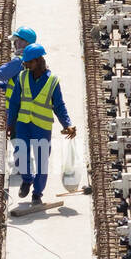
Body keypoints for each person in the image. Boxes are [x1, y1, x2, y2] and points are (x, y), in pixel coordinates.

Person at [6, 43, 77, 204]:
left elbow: (59, 105)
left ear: (38, 61)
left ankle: (37, 193)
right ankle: (27, 179)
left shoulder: (52, 81)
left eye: (28, 62)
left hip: (42, 128)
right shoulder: (23, 77)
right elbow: (15, 102)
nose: (25, 65)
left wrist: (67, 124)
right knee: (20, 154)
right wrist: (10, 123)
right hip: (23, 124)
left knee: (41, 162)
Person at [0, 26, 35, 109]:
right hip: (27, 106)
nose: (15, 44)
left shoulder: (19, 61)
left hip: (18, 107)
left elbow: (1, 74)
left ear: (26, 43)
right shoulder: (35, 59)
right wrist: (4, 84)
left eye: (17, 41)